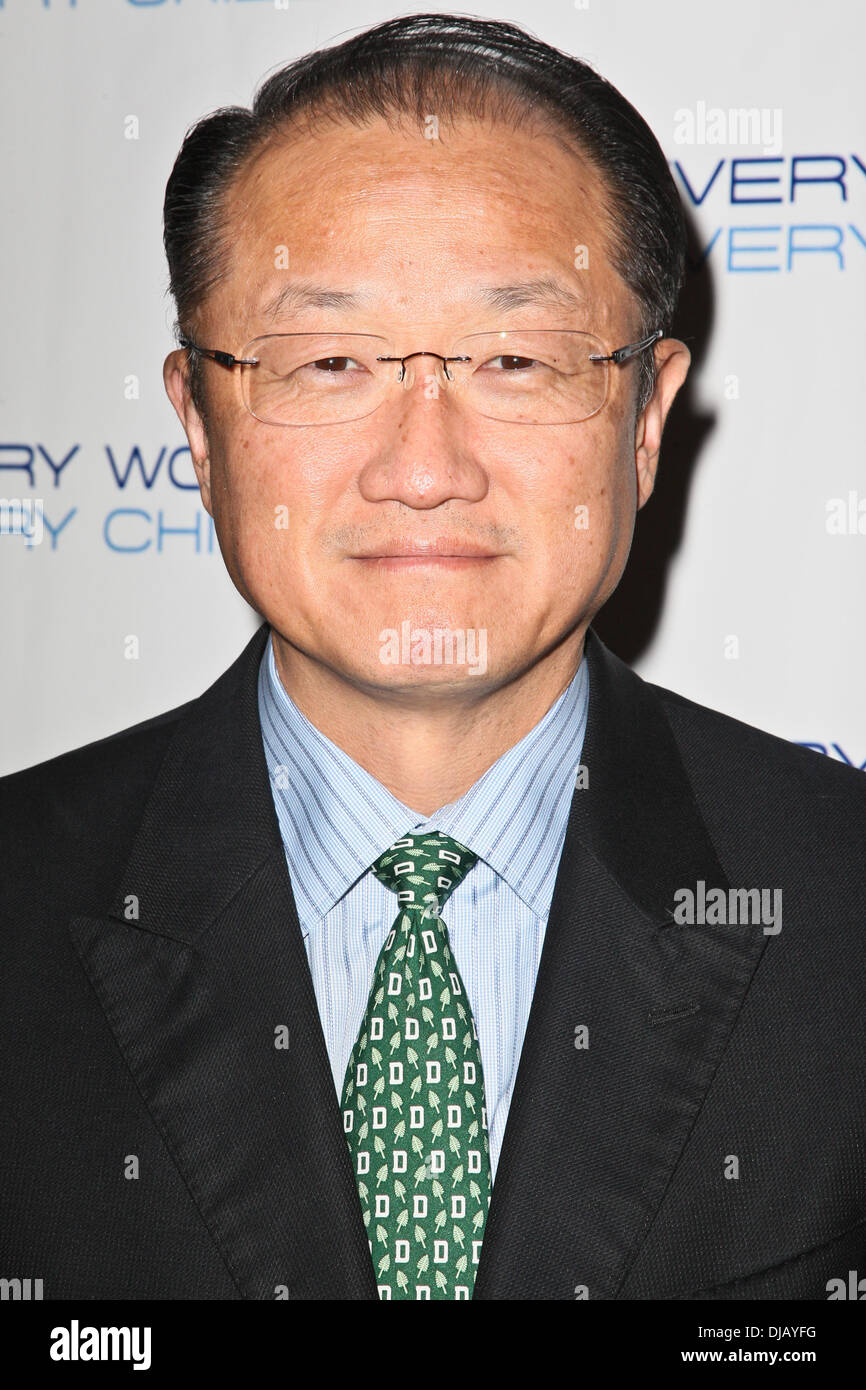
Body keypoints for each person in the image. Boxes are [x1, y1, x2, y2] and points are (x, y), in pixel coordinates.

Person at [2, 13, 864, 1302]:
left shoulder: (840, 901)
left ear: (645, 419)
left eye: (516, 358)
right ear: (195, 418)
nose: (423, 470)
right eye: (328, 359)